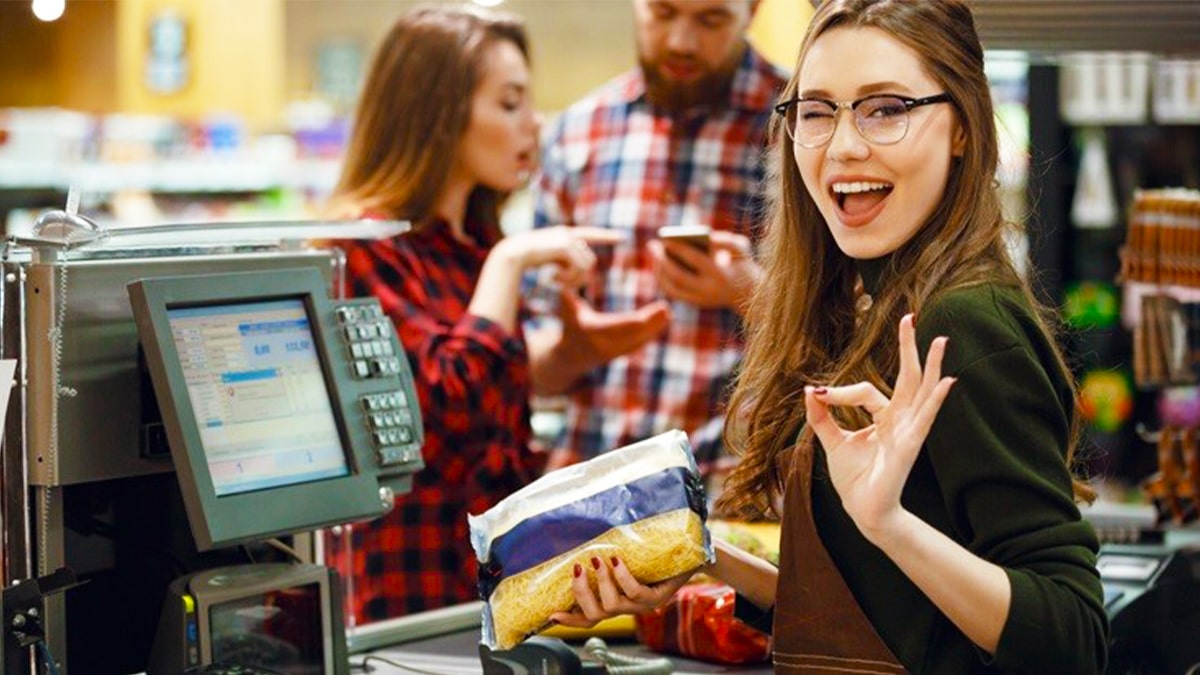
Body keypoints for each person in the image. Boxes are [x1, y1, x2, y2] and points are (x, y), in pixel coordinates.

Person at [551, 1, 1110, 672]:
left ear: (962, 126)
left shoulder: (962, 322)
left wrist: (890, 525)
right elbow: (887, 610)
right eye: (817, 112)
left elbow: (1072, 635)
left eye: (886, 108)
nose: (844, 145)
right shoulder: (879, 303)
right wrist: (700, 556)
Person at [322, 5, 669, 624]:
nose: (532, 125)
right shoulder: (361, 247)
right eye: (509, 104)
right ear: (438, 112)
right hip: (409, 594)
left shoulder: (470, 242)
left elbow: (490, 395)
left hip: (488, 588)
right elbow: (437, 412)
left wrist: (572, 354)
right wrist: (510, 262)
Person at [529, 0, 787, 469]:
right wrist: (571, 352)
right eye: (663, 13)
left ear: (751, 10)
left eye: (710, 19)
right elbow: (530, 364)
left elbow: (857, 340)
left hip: (737, 495)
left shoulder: (802, 123)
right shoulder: (577, 133)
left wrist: (752, 294)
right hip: (595, 486)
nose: (680, 42)